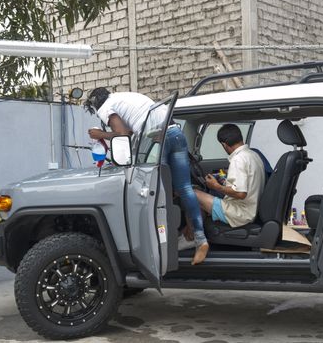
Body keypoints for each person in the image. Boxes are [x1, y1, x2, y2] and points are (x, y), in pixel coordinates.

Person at [85, 87, 209, 265]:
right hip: (175, 133)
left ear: (96, 105)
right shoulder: (126, 97)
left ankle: (159, 245)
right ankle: (200, 240)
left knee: (155, 192)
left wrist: (100, 134)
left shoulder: (106, 107)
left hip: (157, 138)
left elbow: (123, 134)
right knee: (185, 188)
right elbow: (133, 128)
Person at [195, 124, 265, 228]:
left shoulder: (238, 159)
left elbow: (241, 193)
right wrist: (224, 183)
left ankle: (191, 236)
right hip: (251, 209)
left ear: (224, 144)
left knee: (191, 194)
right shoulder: (253, 155)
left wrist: (216, 186)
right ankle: (192, 232)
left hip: (240, 214)